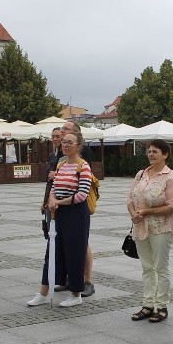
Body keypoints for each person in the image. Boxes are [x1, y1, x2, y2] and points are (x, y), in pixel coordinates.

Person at [27, 130, 92, 307]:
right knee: (52, 251)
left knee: (75, 253)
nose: (65, 144)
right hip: (59, 213)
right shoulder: (62, 165)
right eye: (64, 142)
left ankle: (76, 293)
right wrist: (52, 199)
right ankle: (43, 292)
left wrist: (59, 202)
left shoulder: (83, 166)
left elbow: (82, 195)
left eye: (69, 142)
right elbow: (54, 186)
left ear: (79, 146)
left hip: (76, 214)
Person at [127, 139, 173, 323]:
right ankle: (147, 305)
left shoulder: (170, 177)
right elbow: (130, 198)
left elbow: (172, 206)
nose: (151, 154)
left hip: (160, 227)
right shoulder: (141, 174)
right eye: (149, 151)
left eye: (155, 151)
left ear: (165, 154)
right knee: (147, 267)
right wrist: (134, 213)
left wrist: (147, 211)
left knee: (161, 267)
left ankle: (162, 306)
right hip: (141, 226)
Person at [51, 120, 97, 297]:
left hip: (75, 206)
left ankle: (85, 281)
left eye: (66, 131)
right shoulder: (59, 156)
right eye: (61, 132)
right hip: (58, 205)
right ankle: (67, 278)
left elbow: (83, 187)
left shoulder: (83, 156)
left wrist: (60, 200)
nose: (62, 134)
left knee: (80, 244)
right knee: (63, 244)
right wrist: (49, 198)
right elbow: (54, 182)